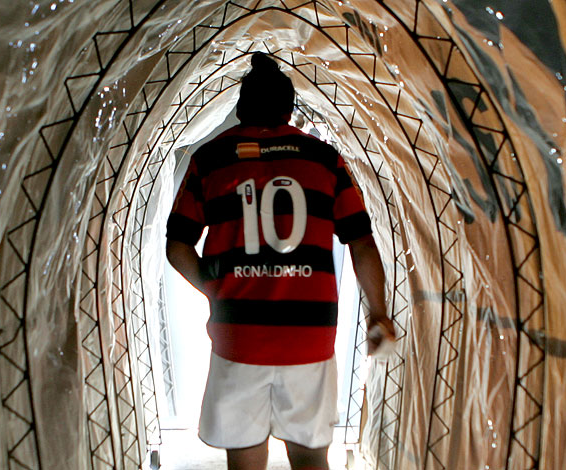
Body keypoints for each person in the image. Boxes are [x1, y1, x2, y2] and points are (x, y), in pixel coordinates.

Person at [165, 52, 395, 470]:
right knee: (310, 459)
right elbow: (361, 242)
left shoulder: (209, 160)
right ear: (290, 111)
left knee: (246, 461)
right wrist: (378, 313)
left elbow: (177, 246)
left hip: (239, 341)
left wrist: (215, 289)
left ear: (240, 108)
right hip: (309, 340)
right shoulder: (325, 160)